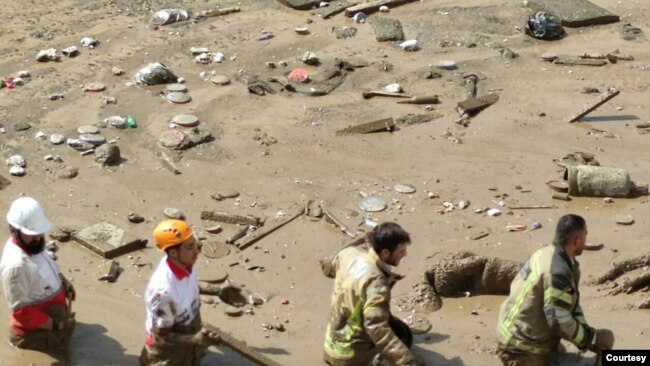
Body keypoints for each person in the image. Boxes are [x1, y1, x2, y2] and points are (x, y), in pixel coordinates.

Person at [496, 214, 615, 366]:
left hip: (517, 327)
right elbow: (559, 321)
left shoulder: (547, 254)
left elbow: (571, 304)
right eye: (585, 235)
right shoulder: (558, 272)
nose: (585, 240)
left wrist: (588, 335)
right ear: (577, 240)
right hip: (519, 346)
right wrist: (592, 339)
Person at [322, 222, 419, 366]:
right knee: (403, 337)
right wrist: (406, 361)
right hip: (349, 356)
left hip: (331, 343)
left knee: (393, 324)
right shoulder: (376, 281)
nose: (404, 254)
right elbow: (376, 326)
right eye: (400, 251)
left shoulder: (348, 254)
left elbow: (326, 267)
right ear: (385, 253)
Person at [140, 219, 220, 366]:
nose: (197, 251)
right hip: (167, 352)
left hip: (190, 332)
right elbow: (161, 339)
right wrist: (195, 339)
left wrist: (219, 291)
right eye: (190, 247)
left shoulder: (185, 265)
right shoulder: (163, 293)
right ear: (173, 253)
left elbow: (189, 287)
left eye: (195, 244)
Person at [0, 197, 76, 351]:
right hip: (35, 333)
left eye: (40, 232)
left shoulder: (32, 244)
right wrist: (56, 325)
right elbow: (23, 313)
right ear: (13, 230)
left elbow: (45, 264)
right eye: (31, 233)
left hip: (50, 318)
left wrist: (62, 281)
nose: (38, 237)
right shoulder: (16, 267)